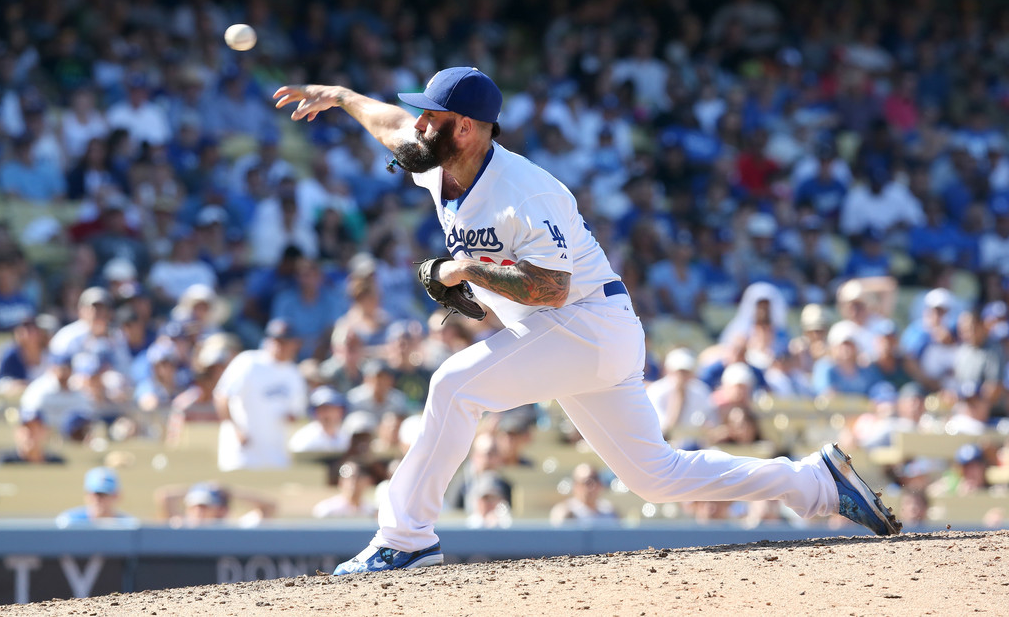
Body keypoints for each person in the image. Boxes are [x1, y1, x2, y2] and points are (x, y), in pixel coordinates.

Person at [274, 66, 901, 575]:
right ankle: (814, 484)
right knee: (655, 476)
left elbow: (551, 287)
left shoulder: (526, 190)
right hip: (581, 332)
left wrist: (465, 272)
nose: (419, 123)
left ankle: (406, 536)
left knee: (452, 387)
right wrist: (340, 96)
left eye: (431, 115)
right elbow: (390, 126)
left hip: (582, 320)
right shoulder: (441, 162)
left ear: (463, 128)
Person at [214, 318, 307, 471]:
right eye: (275, 340)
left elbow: (296, 413)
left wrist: (291, 417)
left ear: (295, 344)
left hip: (276, 458)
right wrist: (235, 429)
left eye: (284, 341)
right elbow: (222, 396)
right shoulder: (248, 362)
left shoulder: (294, 374)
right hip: (242, 455)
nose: (279, 345)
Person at [56, 466, 136, 526]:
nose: (98, 499)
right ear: (87, 495)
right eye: (95, 494)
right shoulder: (69, 522)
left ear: (116, 496)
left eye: (104, 494)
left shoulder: (128, 524)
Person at [549, 463, 619, 525]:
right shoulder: (566, 512)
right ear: (575, 485)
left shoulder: (609, 511)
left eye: (596, 480)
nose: (592, 487)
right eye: (587, 482)